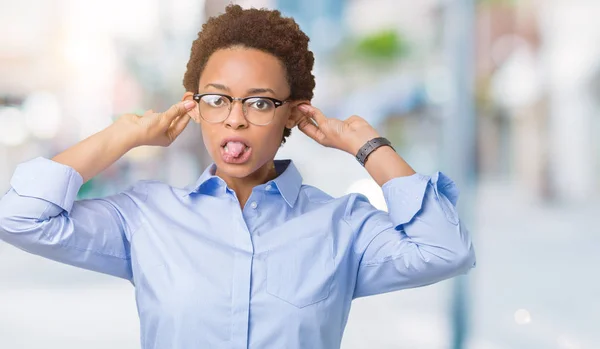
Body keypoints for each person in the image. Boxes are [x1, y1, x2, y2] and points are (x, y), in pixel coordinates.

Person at [0, 5, 475, 349]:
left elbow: (445, 250)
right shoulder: (146, 218)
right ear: (194, 106)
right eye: (218, 99)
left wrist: (365, 144)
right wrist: (122, 135)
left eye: (260, 101)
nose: (235, 119)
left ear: (293, 113)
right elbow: (19, 217)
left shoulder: (343, 226)